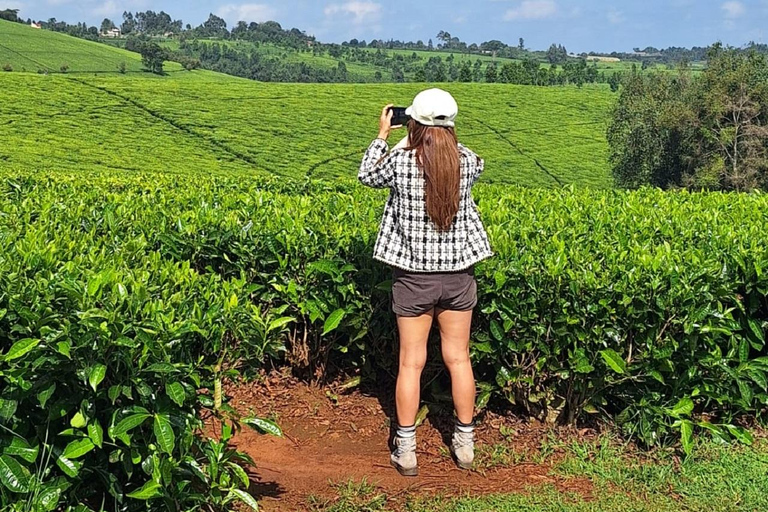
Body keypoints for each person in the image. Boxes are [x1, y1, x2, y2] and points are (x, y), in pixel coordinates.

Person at [358, 88, 493, 476]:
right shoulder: (468, 162)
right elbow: (455, 150)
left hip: (414, 278)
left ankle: (406, 450)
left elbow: (368, 174)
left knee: (411, 363)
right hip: (458, 277)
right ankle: (464, 445)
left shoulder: (400, 162)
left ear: (412, 121)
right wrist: (433, 129)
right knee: (459, 359)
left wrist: (386, 134)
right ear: (451, 125)